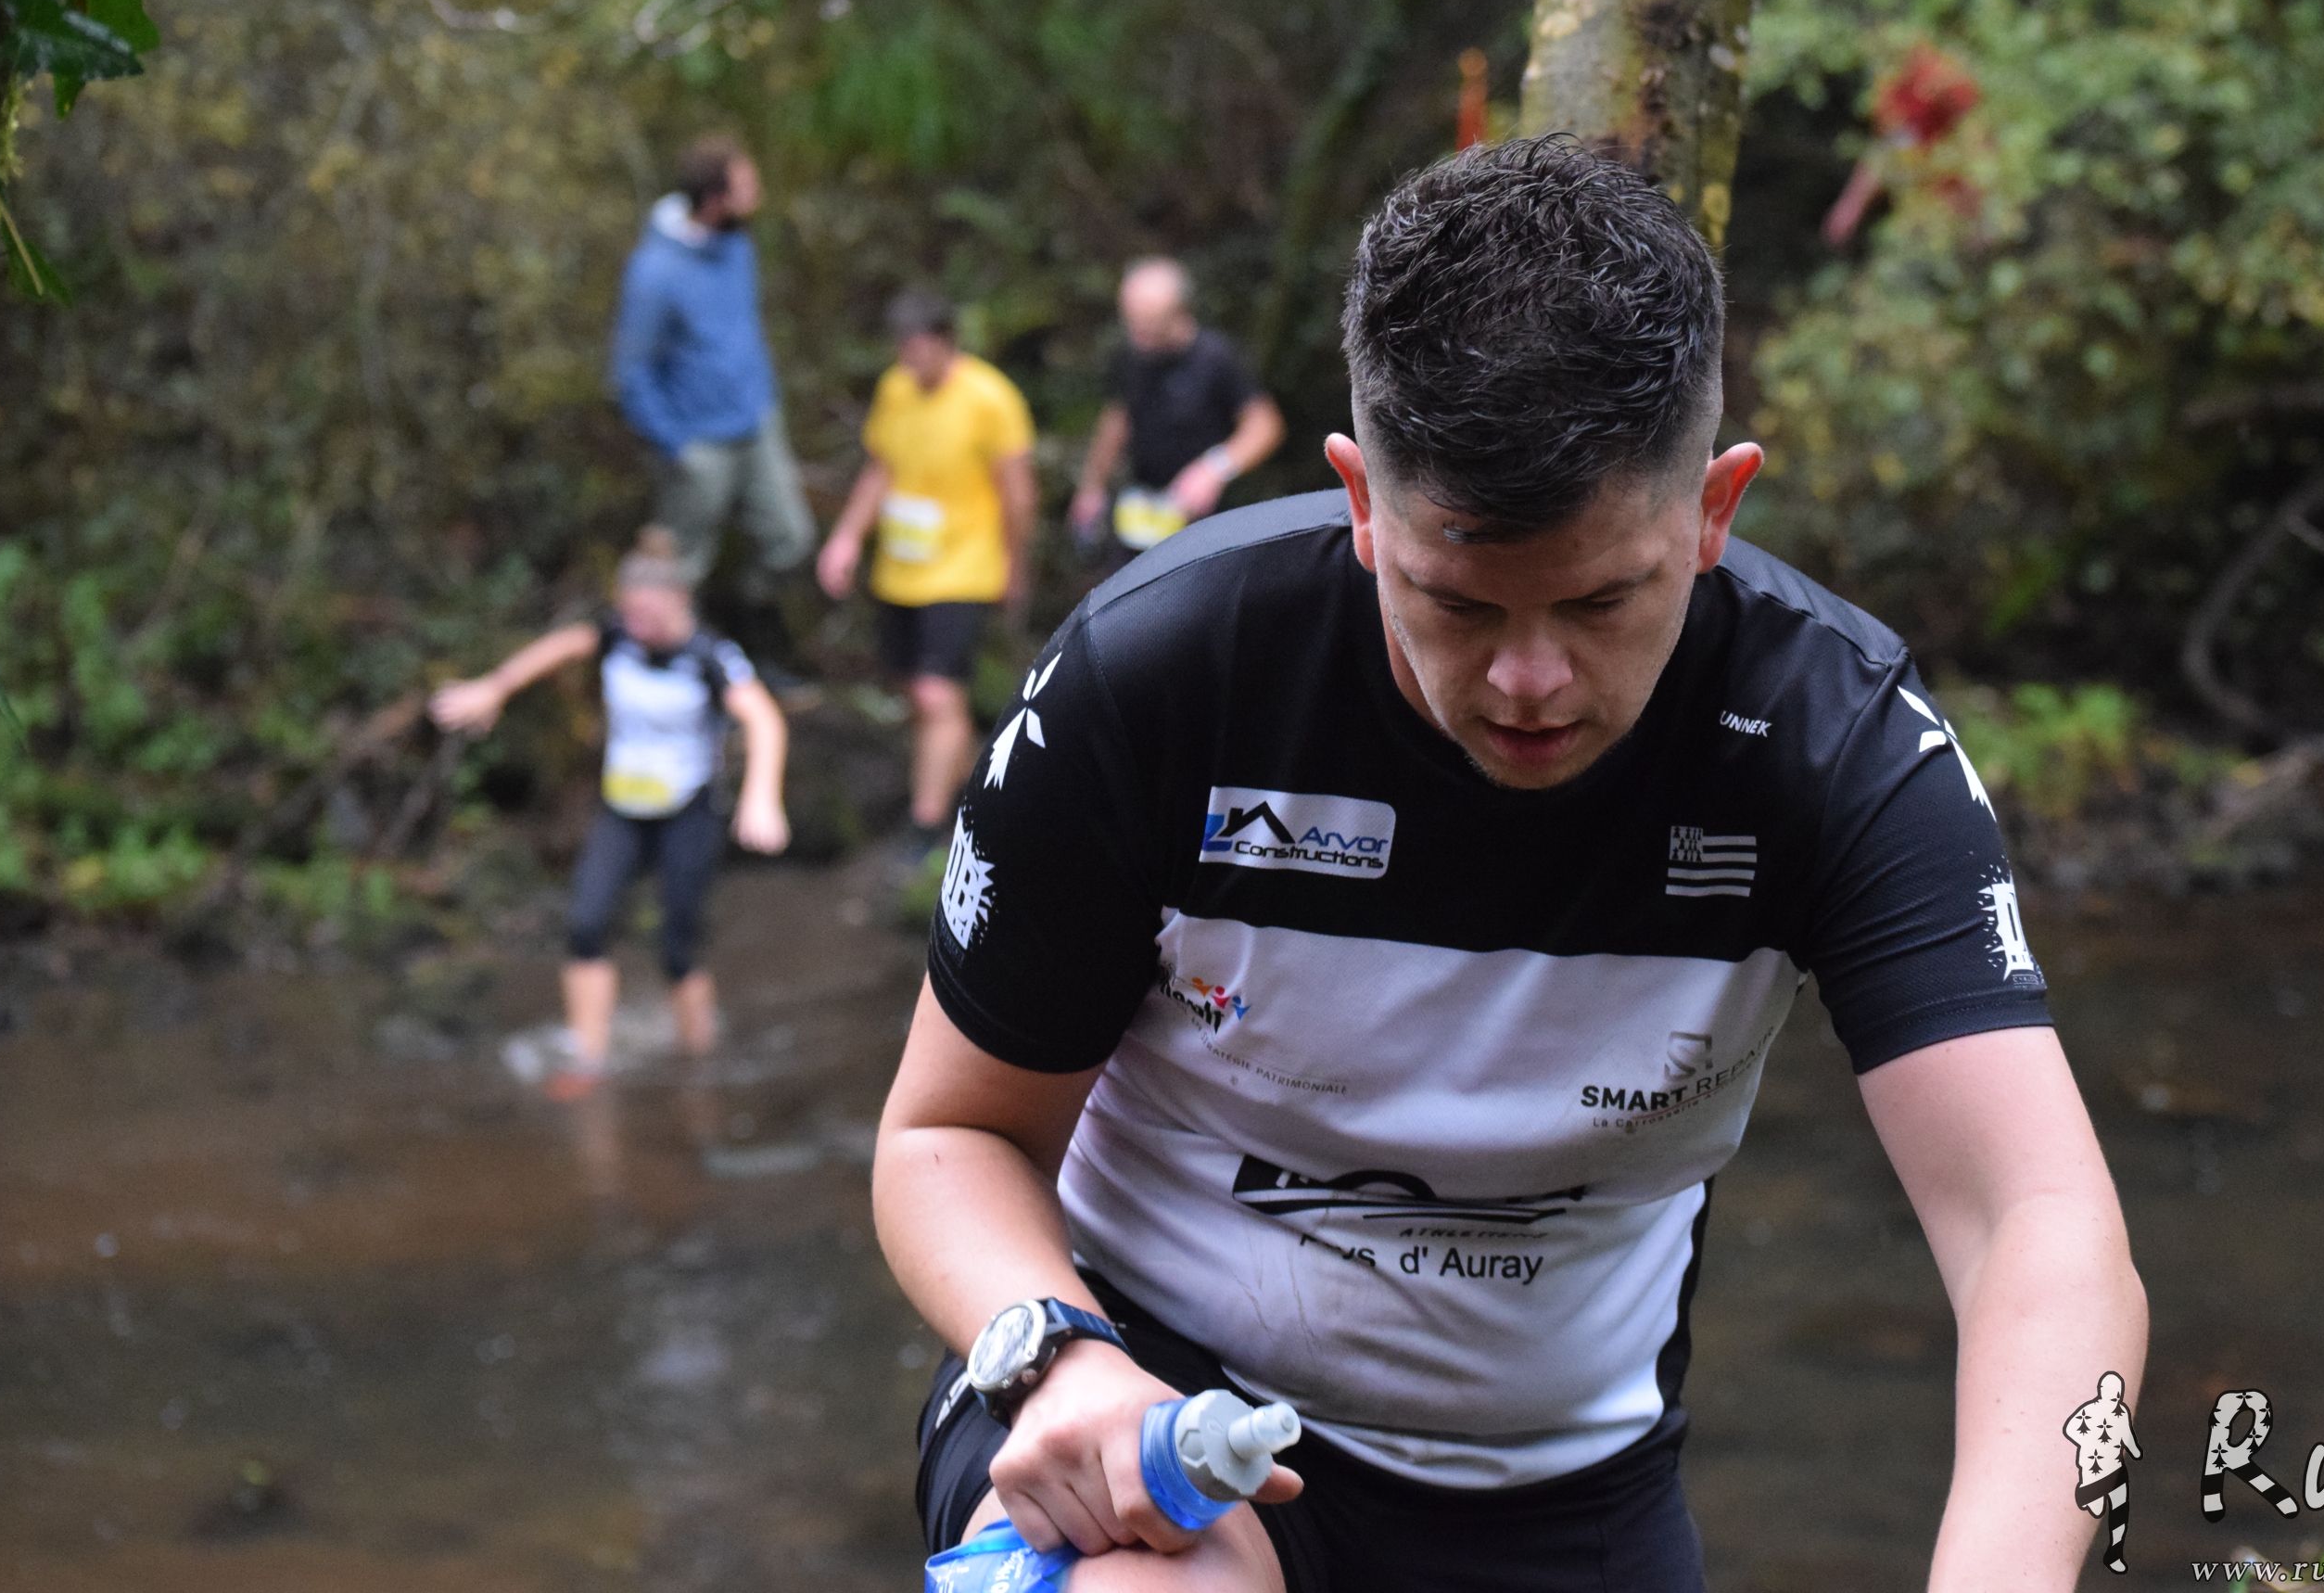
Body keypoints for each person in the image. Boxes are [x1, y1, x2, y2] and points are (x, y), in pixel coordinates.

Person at [871, 136, 2147, 1593]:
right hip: (1155, 1395)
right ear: (1361, 501)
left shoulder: (1829, 739)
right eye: (1458, 602)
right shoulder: (1166, 676)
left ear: (1716, 508)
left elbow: (2042, 1230)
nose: (1528, 680)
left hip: (1558, 1486)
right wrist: (1057, 1356)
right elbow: (947, 1135)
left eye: (1603, 602)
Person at [431, 530, 791, 1093]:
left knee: (676, 948)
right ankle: (588, 1058)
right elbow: (564, 645)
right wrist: (495, 688)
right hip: (622, 811)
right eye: (629, 614)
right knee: (585, 925)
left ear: (678, 601)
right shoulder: (618, 636)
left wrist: (761, 795)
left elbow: (764, 719)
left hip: (687, 812)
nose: (635, 625)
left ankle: (703, 1064)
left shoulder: (710, 657)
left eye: (647, 615)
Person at [816, 288, 1036, 865]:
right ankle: (978, 801)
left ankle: (925, 825)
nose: (911, 360)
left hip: (964, 569)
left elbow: (1018, 493)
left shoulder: (990, 398)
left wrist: (1015, 566)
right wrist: (846, 537)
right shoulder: (895, 390)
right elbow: (881, 470)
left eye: (919, 348)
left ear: (945, 341)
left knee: (938, 695)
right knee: (922, 697)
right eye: (903, 349)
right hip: (902, 572)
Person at [611, 133, 818, 638]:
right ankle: (674, 656)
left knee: (790, 540)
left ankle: (744, 625)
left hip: (756, 423)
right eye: (745, 186)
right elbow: (629, 373)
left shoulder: (737, 246)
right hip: (698, 441)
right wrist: (676, 443)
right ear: (714, 199)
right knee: (679, 568)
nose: (756, 194)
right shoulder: (655, 273)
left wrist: (761, 398)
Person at [1069, 257, 1285, 556]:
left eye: (1150, 323)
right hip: (1144, 512)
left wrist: (1213, 469)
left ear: (1179, 312)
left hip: (1207, 522)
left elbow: (1265, 426)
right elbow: (1118, 419)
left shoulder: (1216, 358)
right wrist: (1092, 487)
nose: (1139, 334)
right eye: (1132, 322)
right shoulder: (1130, 357)